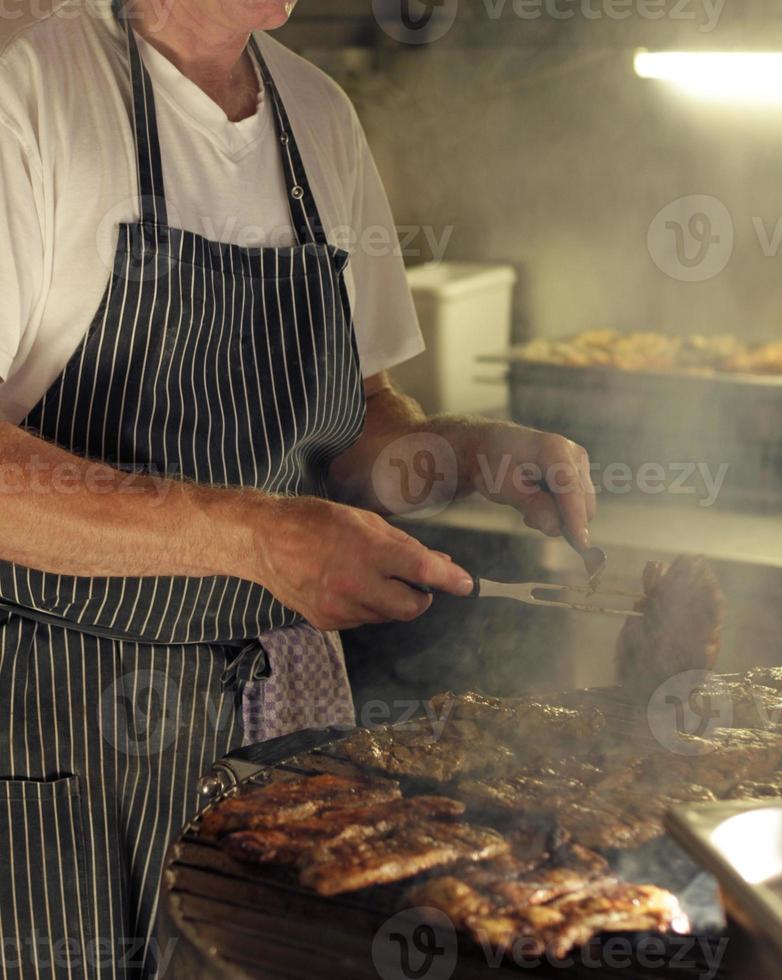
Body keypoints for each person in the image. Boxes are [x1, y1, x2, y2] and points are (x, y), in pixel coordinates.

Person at [0, 0, 596, 975]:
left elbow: (353, 414)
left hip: (285, 720)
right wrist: (252, 537)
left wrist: (460, 451)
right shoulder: (28, 84)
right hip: (60, 722)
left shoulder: (313, 111)